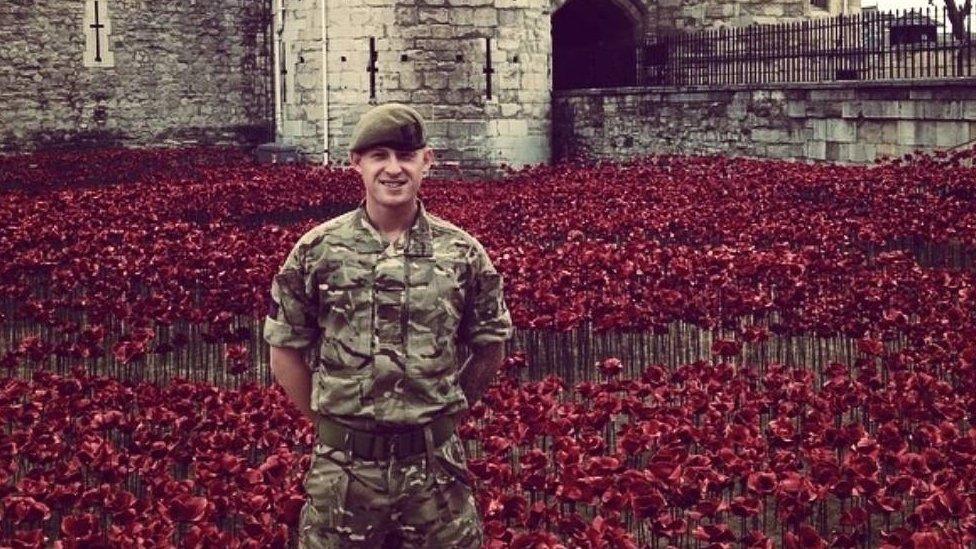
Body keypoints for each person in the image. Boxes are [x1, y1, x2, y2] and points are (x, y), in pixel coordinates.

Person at [263, 102, 513, 548]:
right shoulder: (316, 251)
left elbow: (490, 345)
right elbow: (284, 350)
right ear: (356, 163)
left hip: (434, 475)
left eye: (406, 156)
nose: (393, 169)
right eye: (379, 156)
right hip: (343, 476)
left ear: (426, 162)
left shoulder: (463, 253)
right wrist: (327, 424)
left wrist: (450, 412)